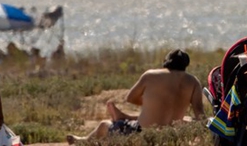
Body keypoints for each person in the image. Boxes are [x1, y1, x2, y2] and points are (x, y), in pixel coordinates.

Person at [66, 49, 205, 144]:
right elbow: (200, 114)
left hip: (142, 132)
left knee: (104, 126)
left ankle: (83, 141)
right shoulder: (193, 82)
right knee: (186, 119)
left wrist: (152, 104)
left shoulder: (151, 75)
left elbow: (130, 98)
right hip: (171, 134)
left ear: (166, 62)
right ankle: (125, 117)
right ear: (186, 65)